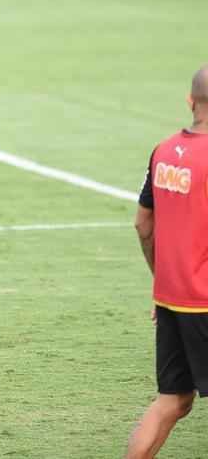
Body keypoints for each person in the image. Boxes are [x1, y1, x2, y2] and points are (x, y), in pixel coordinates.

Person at [126, 64, 208, 458]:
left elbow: (143, 224)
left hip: (172, 296)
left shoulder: (162, 152)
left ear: (190, 101)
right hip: (205, 297)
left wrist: (163, 283)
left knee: (173, 401)